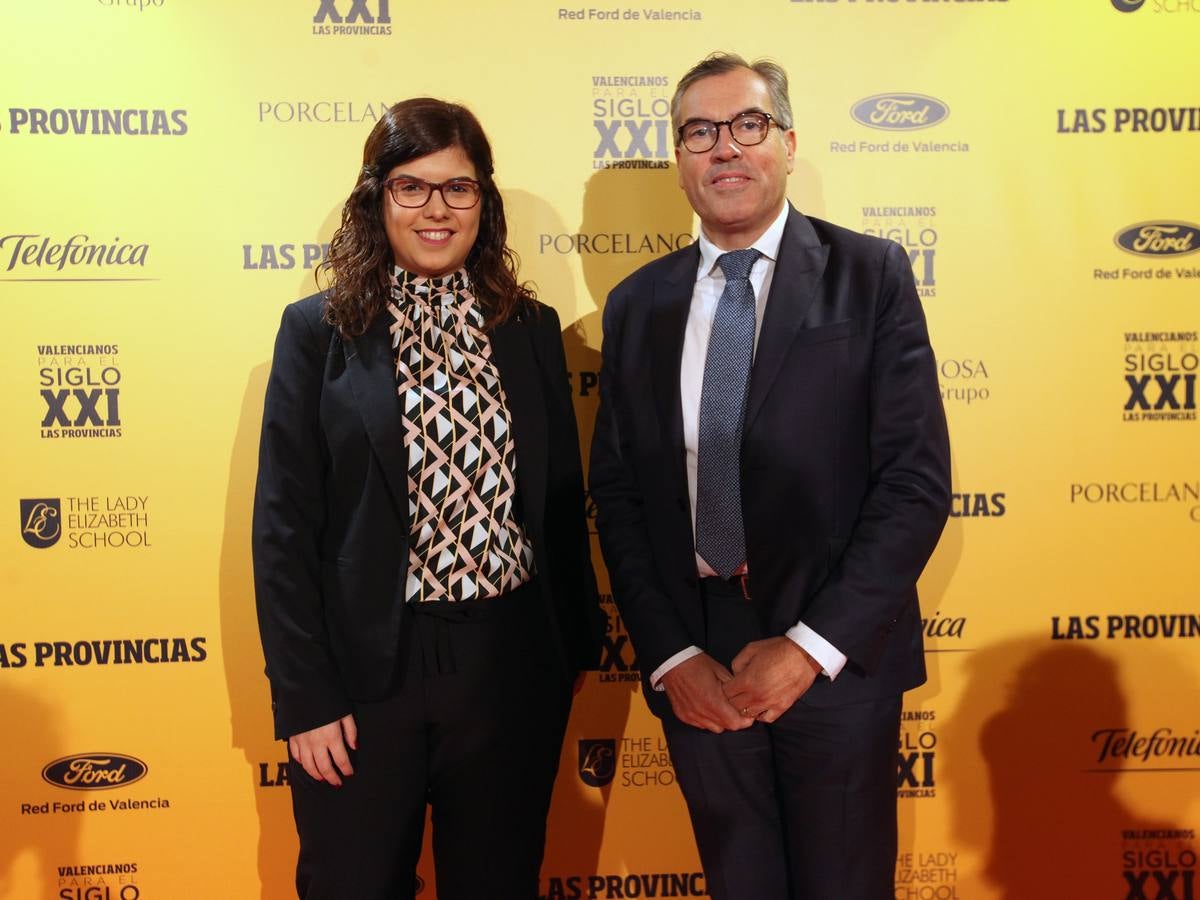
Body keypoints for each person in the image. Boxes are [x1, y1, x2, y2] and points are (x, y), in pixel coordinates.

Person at [589, 53, 951, 899]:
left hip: (836, 656)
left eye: (747, 125)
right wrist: (672, 653)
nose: (725, 148)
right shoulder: (637, 305)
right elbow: (620, 495)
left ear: (787, 143)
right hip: (699, 658)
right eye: (700, 132)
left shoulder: (871, 276)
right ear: (679, 159)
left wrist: (808, 648)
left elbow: (915, 482)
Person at [252, 98, 601, 900]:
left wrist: (568, 652)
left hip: (509, 669)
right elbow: (284, 527)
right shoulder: (318, 331)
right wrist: (305, 697)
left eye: (459, 188)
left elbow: (556, 499)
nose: (437, 209)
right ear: (377, 198)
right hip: (366, 677)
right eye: (412, 187)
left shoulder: (530, 328)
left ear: (486, 201)